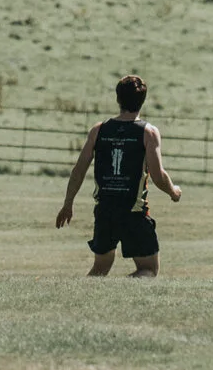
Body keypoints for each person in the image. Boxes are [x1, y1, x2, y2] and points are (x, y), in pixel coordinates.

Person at [55, 73, 181, 277]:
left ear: (117, 98)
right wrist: (173, 191)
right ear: (143, 101)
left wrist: (68, 203)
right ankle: (118, 291)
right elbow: (158, 176)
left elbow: (79, 170)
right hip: (133, 212)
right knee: (148, 269)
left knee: (100, 267)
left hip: (105, 211)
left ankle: (83, 300)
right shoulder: (148, 132)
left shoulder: (99, 130)